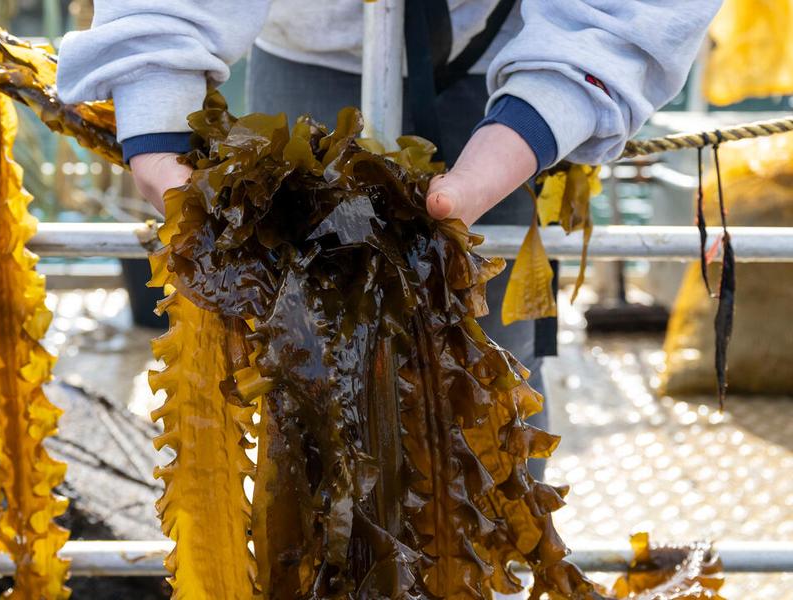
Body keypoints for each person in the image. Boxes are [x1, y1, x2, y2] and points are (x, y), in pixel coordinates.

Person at [55, 0, 721, 481]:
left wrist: (544, 114)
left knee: (494, 374)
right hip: (306, 37)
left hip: (510, 56)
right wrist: (157, 111)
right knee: (298, 378)